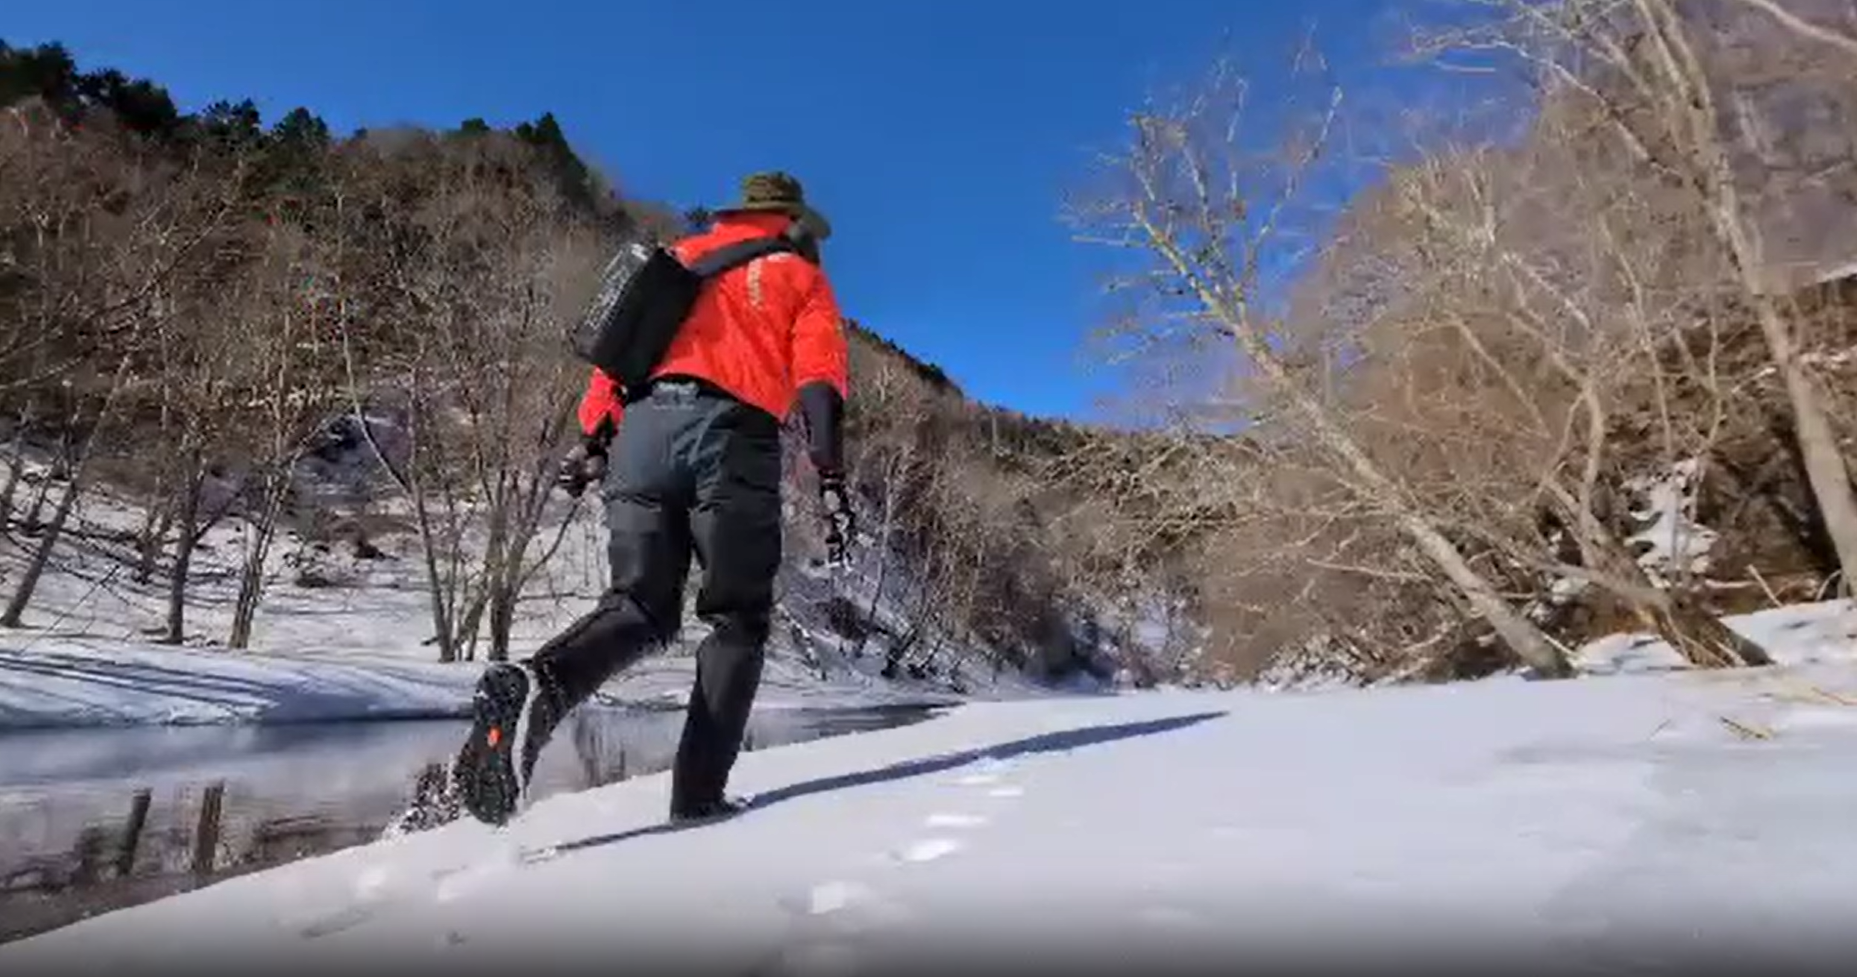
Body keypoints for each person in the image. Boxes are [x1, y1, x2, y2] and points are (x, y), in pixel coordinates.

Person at [452, 171, 857, 827]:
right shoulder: (798, 275)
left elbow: (614, 362)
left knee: (638, 604)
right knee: (737, 620)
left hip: (639, 436)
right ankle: (697, 795)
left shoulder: (677, 258)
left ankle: (537, 687)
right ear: (791, 222)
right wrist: (830, 474)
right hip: (730, 441)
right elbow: (818, 378)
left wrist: (591, 443)